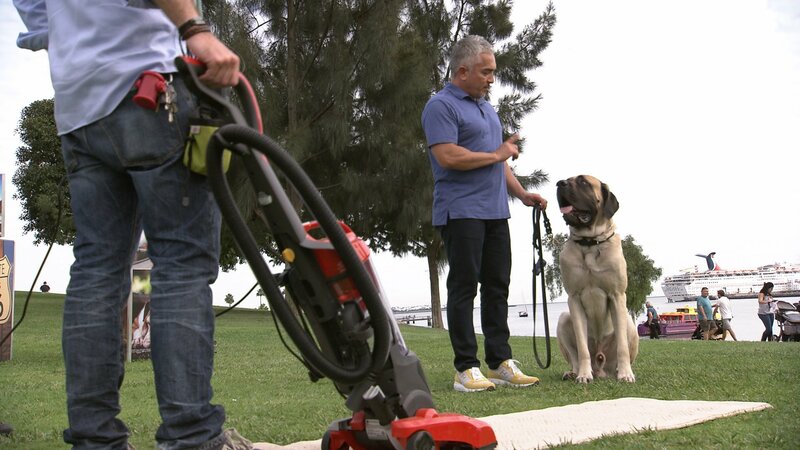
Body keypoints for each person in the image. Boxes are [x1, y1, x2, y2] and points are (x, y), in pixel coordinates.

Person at [14, 1, 251, 448]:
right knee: (181, 264)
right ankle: (191, 437)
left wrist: (66, 38)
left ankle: (94, 438)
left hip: (79, 104)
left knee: (97, 268)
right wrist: (194, 27)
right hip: (149, 83)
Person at [421, 35, 548, 393]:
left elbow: (499, 161)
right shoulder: (440, 106)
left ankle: (499, 362)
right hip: (461, 212)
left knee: (497, 287)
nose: (492, 79)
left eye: (493, 72)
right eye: (486, 72)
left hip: (495, 212)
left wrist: (522, 193)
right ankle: (465, 369)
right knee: (464, 288)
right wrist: (498, 154)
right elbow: (448, 156)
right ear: (462, 70)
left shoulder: (487, 108)